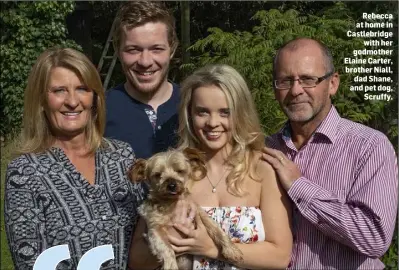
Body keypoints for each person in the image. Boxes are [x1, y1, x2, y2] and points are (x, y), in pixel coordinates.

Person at [129, 64, 292, 269]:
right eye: (202, 112)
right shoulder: (176, 170)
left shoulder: (262, 169)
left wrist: (210, 248)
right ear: (189, 114)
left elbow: (279, 257)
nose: (213, 122)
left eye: (225, 112)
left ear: (240, 113)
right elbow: (137, 262)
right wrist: (167, 238)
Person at [4, 47, 146, 269]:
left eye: (82, 89)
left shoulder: (122, 156)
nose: (72, 101)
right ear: (41, 100)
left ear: (94, 97)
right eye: (59, 90)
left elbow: (145, 237)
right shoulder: (24, 172)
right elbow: (30, 262)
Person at [262, 37, 398, 269]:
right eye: (285, 81)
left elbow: (374, 237)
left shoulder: (369, 146)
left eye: (308, 79)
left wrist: (299, 186)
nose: (296, 90)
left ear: (333, 83)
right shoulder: (266, 150)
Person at [105, 1, 180, 159]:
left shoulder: (194, 107)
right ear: (118, 50)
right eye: (134, 50)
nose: (145, 62)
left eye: (156, 49)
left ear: (172, 49)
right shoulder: (99, 111)